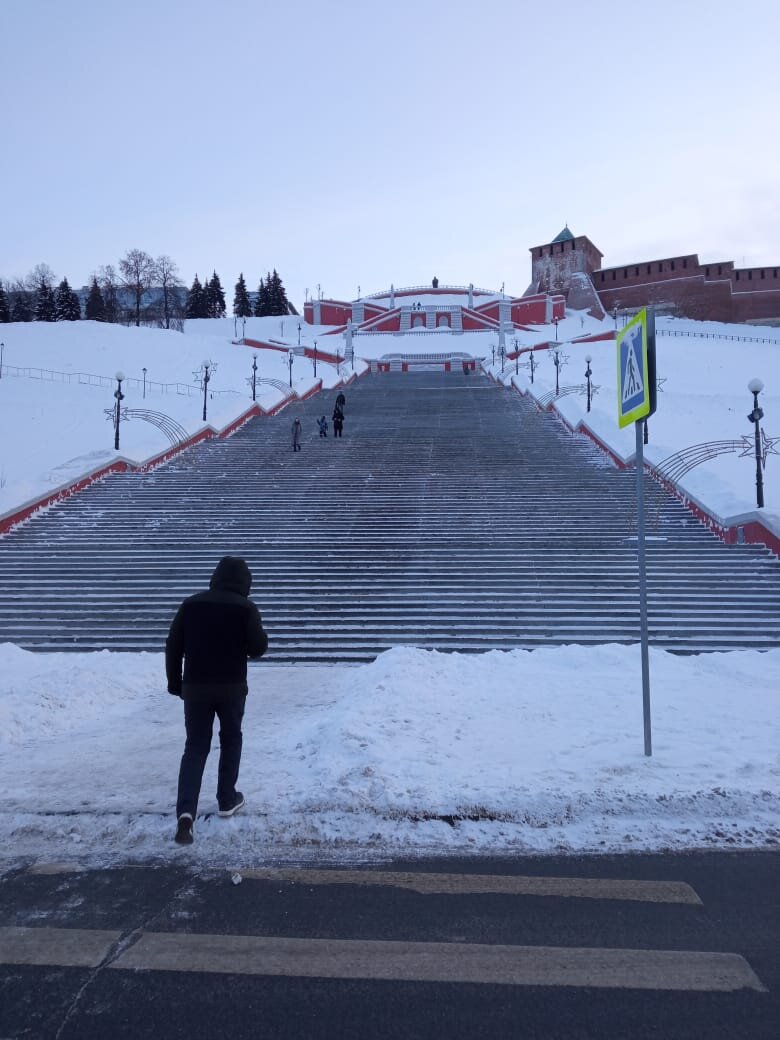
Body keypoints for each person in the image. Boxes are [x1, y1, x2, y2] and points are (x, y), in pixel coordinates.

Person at [166, 556, 268, 845]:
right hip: (231, 687)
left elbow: (173, 644)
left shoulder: (191, 604)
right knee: (231, 738)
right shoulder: (246, 608)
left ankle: (186, 813)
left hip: (195, 687)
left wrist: (175, 683)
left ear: (215, 577)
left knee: (195, 747)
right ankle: (227, 798)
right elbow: (258, 648)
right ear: (245, 583)